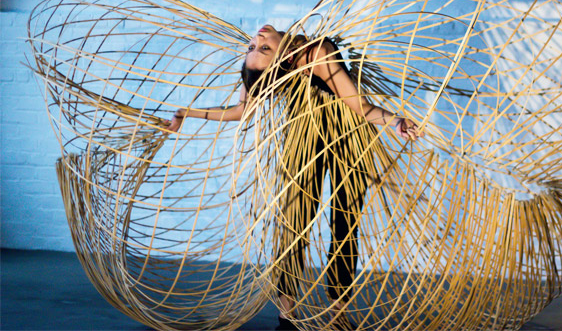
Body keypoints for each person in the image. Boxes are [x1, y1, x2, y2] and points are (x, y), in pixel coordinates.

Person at [165, 25, 419, 330]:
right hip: (304, 131)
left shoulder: (314, 52)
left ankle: (338, 314)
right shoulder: (308, 57)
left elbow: (356, 106)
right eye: (260, 48)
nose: (258, 40)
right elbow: (242, 110)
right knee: (293, 222)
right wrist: (185, 113)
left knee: (345, 221)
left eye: (256, 47)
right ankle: (287, 314)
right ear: (284, 62)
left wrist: (394, 121)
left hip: (347, 131)